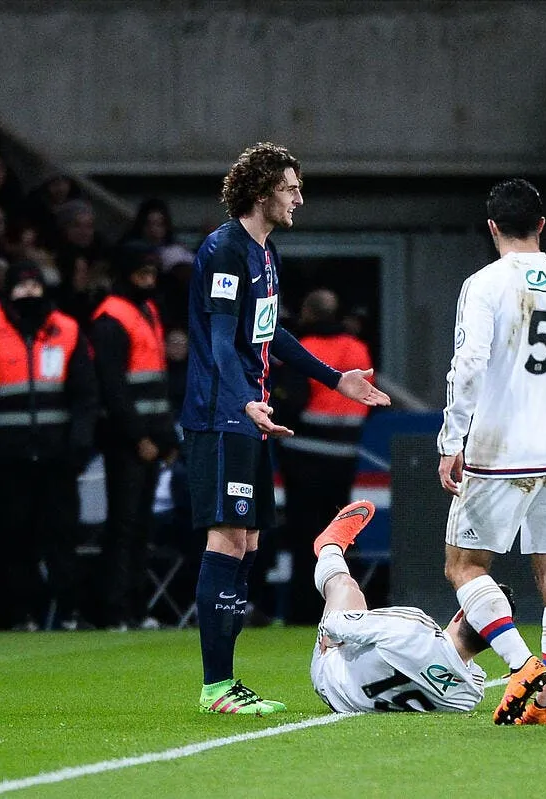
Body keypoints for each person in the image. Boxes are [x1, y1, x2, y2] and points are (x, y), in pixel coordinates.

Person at [181, 142, 390, 716]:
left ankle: (224, 681)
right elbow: (223, 341)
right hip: (221, 415)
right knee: (225, 537)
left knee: (246, 541)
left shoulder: (264, 254)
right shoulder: (226, 251)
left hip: (245, 413)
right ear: (261, 191)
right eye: (291, 187)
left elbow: (270, 335)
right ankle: (217, 686)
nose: (300, 196)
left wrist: (334, 378)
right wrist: (244, 399)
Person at [437, 178, 546, 726]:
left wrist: (451, 440)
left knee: (464, 564)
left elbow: (470, 366)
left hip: (501, 448)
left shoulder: (484, 284)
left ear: (492, 228)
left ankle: (520, 664)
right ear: (542, 225)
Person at [310, 500, 498, 714]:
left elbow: (333, 624)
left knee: (347, 588)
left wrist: (333, 633)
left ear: (461, 612)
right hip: (351, 702)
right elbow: (466, 672)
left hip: (330, 677)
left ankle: (329, 547)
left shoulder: (414, 627)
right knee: (379, 639)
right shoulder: (470, 694)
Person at [0, 260, 98, 630]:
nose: (28, 293)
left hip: (58, 459)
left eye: (34, 285)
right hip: (9, 461)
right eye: (21, 286)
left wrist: (79, 446)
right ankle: (19, 615)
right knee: (13, 541)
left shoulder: (67, 330)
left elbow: (86, 397)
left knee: (62, 538)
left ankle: (67, 614)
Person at [91, 243, 178, 630]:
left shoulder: (147, 312)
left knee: (140, 526)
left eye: (153, 272)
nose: (150, 279)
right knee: (124, 526)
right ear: (127, 274)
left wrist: (165, 440)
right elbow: (113, 387)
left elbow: (154, 384)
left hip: (150, 439)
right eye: (143, 273)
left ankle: (136, 607)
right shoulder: (111, 317)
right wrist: (139, 437)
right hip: (127, 441)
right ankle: (113, 609)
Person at [275, 288, 375, 623]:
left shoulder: (305, 349)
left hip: (302, 454)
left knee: (306, 535)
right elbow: (369, 399)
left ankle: (304, 611)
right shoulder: (358, 348)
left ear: (308, 313)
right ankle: (347, 607)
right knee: (342, 534)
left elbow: (292, 401)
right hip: (344, 457)